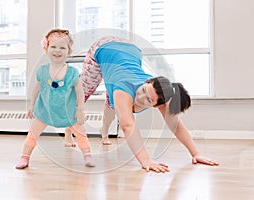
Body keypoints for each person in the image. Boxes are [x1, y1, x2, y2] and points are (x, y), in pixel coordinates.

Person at [79, 36, 219, 173]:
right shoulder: (123, 90)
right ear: (147, 81)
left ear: (157, 105)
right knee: (83, 92)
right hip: (104, 47)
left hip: (129, 53)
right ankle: (71, 129)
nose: (140, 97)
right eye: (144, 90)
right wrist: (145, 160)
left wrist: (196, 153)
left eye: (149, 100)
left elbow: (176, 125)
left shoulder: (161, 96)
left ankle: (104, 131)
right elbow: (127, 126)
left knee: (112, 103)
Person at [15, 29, 95, 169]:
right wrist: (31, 105)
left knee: (81, 134)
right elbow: (36, 88)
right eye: (53, 46)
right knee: (33, 133)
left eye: (62, 47)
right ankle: (24, 157)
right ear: (46, 48)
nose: (57, 51)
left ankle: (87, 155)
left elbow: (79, 91)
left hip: (68, 112)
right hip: (44, 110)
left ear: (68, 51)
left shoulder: (72, 72)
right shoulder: (42, 71)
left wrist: (80, 109)